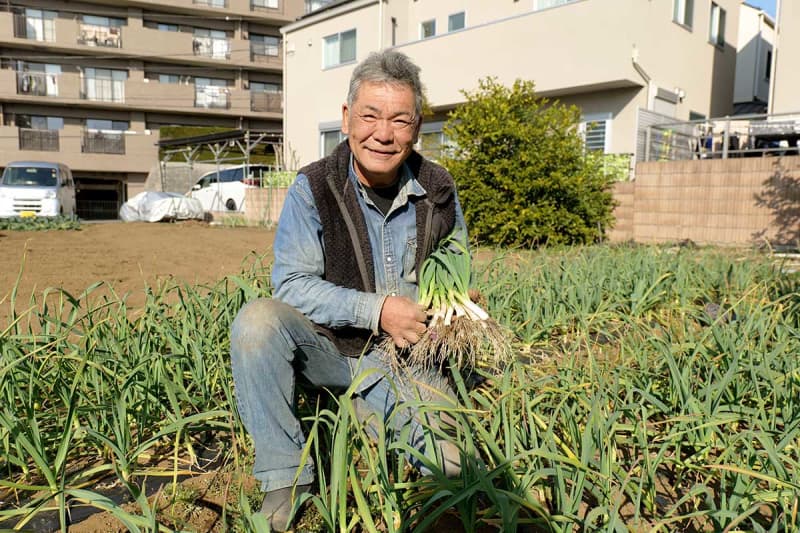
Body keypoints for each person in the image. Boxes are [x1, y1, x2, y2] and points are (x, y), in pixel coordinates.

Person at [230, 49, 468, 532]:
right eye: (370, 116)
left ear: (417, 127)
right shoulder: (312, 186)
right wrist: (378, 310)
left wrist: (457, 304)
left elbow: (456, 262)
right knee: (257, 322)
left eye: (400, 120)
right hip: (329, 350)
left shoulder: (439, 189)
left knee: (454, 471)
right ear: (346, 118)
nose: (384, 133)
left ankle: (366, 409)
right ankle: (286, 478)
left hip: (406, 360)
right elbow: (292, 285)